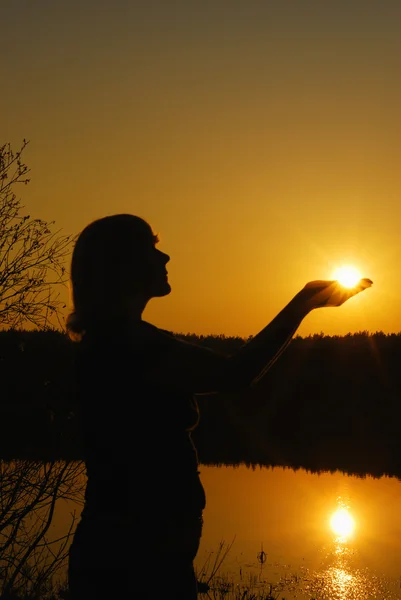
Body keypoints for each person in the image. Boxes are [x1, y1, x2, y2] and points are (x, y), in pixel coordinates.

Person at [66, 213, 372, 599]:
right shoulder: (127, 346)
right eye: (151, 248)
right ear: (120, 265)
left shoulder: (117, 342)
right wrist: (302, 305)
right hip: (136, 556)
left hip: (137, 549)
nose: (165, 259)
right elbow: (235, 373)